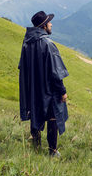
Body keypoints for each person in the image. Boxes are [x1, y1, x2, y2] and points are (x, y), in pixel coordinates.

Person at [18, 11, 69, 157]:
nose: (51, 24)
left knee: (36, 113)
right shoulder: (48, 44)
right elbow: (56, 71)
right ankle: (52, 151)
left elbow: (23, 67)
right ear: (44, 26)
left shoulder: (27, 43)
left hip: (33, 88)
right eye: (49, 22)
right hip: (49, 89)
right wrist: (62, 91)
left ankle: (35, 147)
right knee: (52, 117)